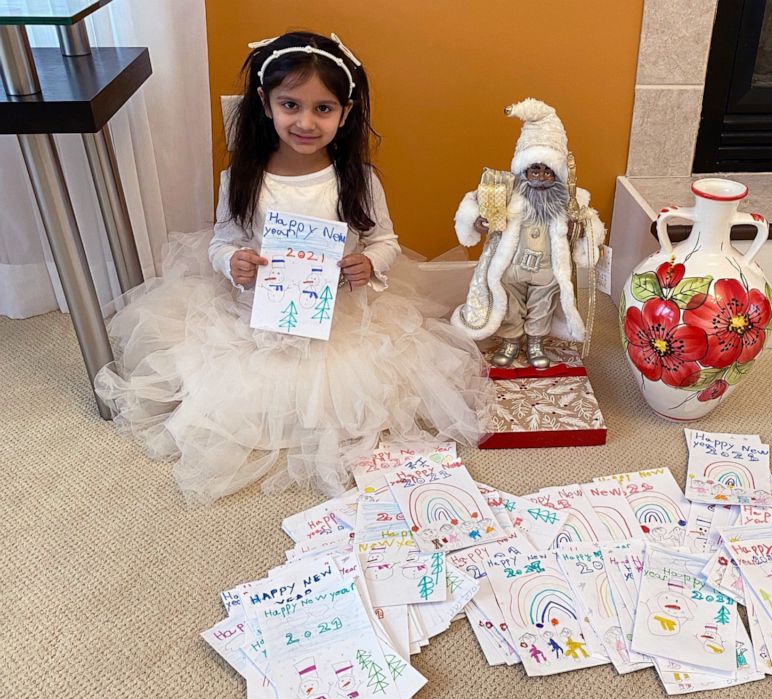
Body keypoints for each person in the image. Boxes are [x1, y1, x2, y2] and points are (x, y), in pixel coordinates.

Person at [95, 31, 486, 503]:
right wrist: (231, 261)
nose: (305, 121)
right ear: (265, 103)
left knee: (355, 395)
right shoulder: (242, 178)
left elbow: (385, 240)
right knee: (229, 393)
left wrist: (369, 262)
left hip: (339, 316)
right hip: (257, 314)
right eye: (290, 105)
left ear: (346, 112)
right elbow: (225, 238)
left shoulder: (357, 180)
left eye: (323, 108)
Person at [451, 99, 605, 368]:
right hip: (513, 265)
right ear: (523, 170)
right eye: (535, 169)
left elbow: (590, 225)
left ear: (558, 174)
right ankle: (511, 339)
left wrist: (581, 232)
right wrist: (477, 221)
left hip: (546, 269)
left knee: (542, 303)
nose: (540, 177)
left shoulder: (571, 200)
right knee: (509, 301)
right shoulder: (507, 191)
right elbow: (472, 205)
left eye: (548, 172)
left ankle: (536, 341)